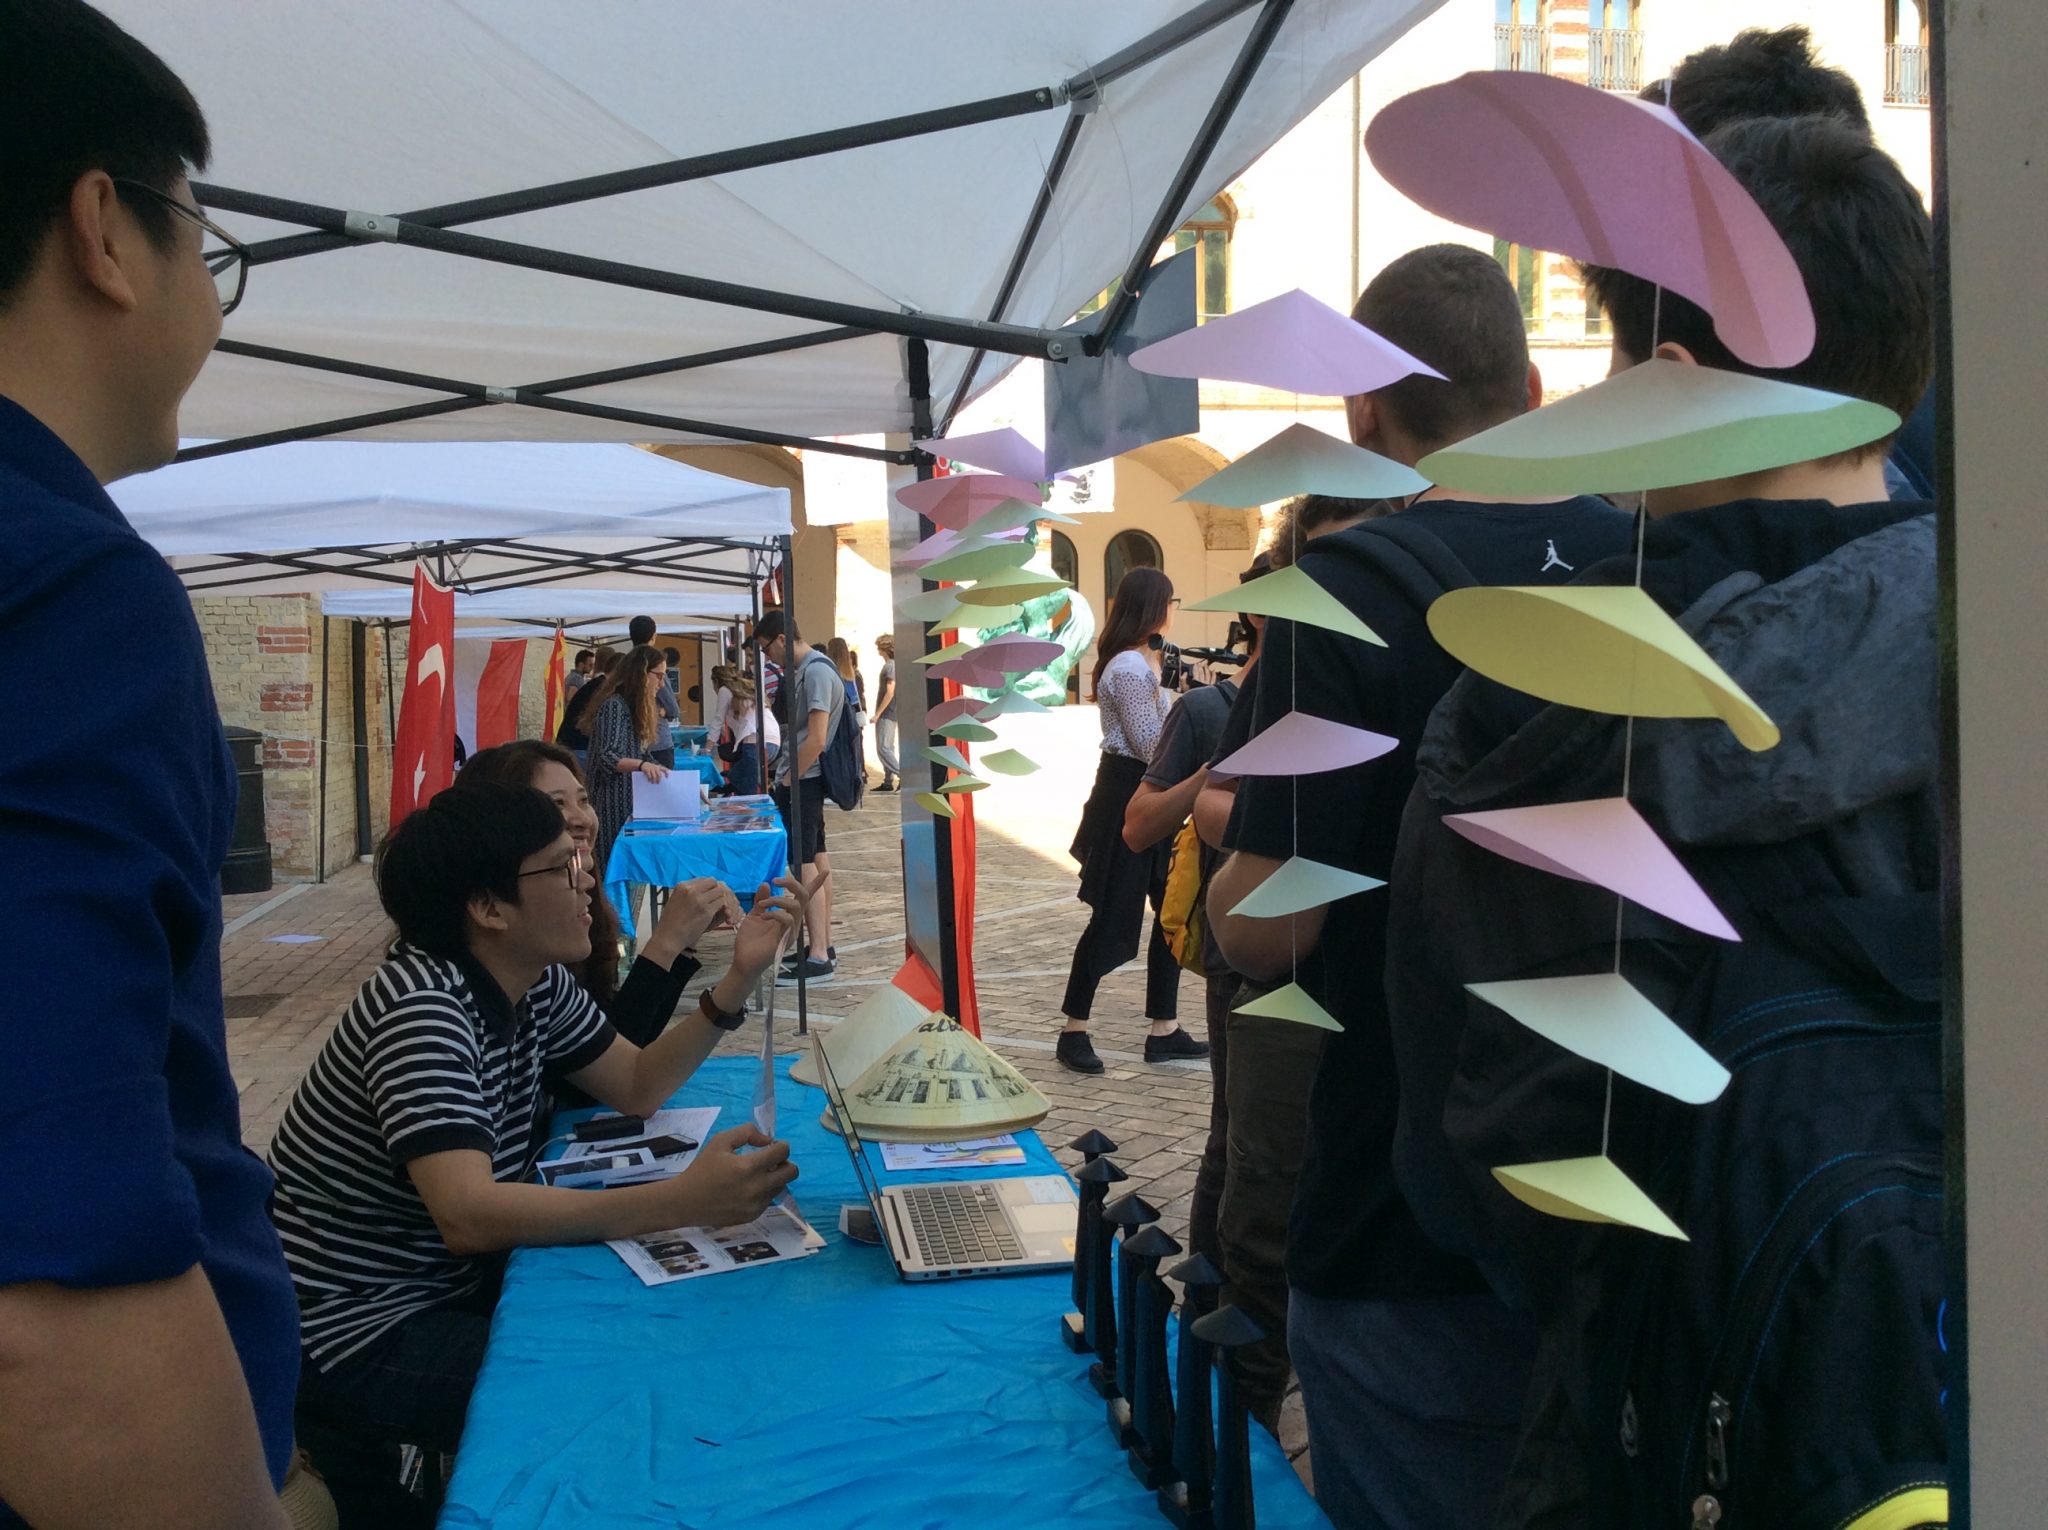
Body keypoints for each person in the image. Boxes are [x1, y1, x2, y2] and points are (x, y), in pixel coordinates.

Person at [1385, 114, 1936, 1525]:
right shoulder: (1997, 642)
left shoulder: (1521, 699)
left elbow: (1472, 1163)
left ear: (1672, 383)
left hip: (1639, 1421)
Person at [1203, 244, 1636, 1530]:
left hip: (1406, 1207)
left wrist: (1223, 876)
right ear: (1533, 389)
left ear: (1362, 414)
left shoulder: (1343, 594)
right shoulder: (1646, 559)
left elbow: (1272, 931)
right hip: (1621, 1190)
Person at [0, 5, 302, 1525]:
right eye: (210, 245)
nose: (215, 302)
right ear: (104, 231)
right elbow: (51, 1295)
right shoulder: (67, 592)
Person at [271, 780, 800, 1526]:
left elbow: (637, 1084)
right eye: (561, 866)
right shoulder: (422, 1009)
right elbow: (468, 1214)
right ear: (489, 908)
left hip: (443, 1290)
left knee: (644, 1338)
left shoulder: (534, 982)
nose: (587, 877)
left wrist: (739, 975)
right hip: (356, 1330)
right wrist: (683, 1202)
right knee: (601, 1386)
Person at [457, 741, 742, 1099]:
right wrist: (667, 942)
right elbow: (594, 1082)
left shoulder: (547, 981)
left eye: (584, 800)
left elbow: (621, 1069)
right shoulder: (434, 1011)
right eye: (556, 804)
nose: (580, 819)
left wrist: (725, 966)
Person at [1057, 567, 1208, 1074]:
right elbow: (1150, 744)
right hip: (1128, 793)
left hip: (1152, 793)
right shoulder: (1127, 667)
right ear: (1154, 607)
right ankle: (1073, 1029)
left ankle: (1164, 1027)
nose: (1173, 610)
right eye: (1170, 601)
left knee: (1171, 910)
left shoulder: (1147, 662)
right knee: (1113, 915)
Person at [750, 610, 841, 983]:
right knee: (815, 860)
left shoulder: (815, 672)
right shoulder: (812, 669)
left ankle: (818, 954)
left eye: (766, 648)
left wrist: (789, 778)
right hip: (806, 777)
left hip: (806, 778)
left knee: (805, 865)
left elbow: (816, 738)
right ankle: (822, 945)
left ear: (783, 640)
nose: (767, 657)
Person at [585, 643, 673, 865]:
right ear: (642, 674)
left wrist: (679, 783)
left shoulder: (631, 707)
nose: (661, 684)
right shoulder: (614, 706)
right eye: (659, 676)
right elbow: (608, 757)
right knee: (610, 865)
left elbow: (642, 754)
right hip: (609, 805)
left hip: (627, 805)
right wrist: (641, 765)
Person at [555, 646, 619, 754]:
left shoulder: (593, 683)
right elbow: (571, 697)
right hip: (577, 743)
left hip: (570, 739)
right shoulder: (600, 686)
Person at [828, 636, 869, 785]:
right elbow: (855, 699)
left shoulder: (830, 672)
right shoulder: (851, 673)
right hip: (852, 719)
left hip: (836, 719)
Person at [717, 680, 766, 795]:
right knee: (742, 773)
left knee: (744, 778)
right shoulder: (761, 701)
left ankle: (738, 791)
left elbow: (743, 723)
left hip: (753, 741)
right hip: (772, 741)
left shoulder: (744, 701)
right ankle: (733, 786)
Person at [872, 633, 900, 792]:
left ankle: (902, 775)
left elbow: (890, 692)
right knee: (888, 746)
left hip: (888, 712)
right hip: (890, 712)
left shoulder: (890, 666)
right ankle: (888, 781)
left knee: (883, 748)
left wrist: (878, 713)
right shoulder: (892, 665)